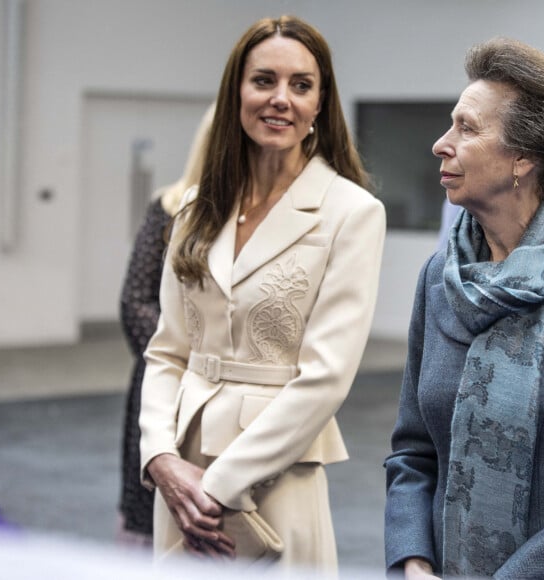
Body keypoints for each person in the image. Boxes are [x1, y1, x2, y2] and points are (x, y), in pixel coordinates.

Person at [138, 15, 386, 574]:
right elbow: (166, 351)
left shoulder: (352, 213)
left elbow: (325, 377)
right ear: (237, 92)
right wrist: (159, 459)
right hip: (181, 472)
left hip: (270, 477)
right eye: (263, 80)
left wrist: (220, 487)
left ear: (320, 104)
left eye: (301, 85)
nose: (281, 99)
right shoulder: (197, 207)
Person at [384, 38, 544, 579]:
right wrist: (412, 558)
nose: (442, 144)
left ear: (523, 157)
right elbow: (412, 452)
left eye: (467, 128)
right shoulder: (440, 279)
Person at [117, 103, 215, 546]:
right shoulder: (169, 207)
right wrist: (187, 360)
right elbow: (135, 299)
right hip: (164, 381)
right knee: (147, 511)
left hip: (226, 395)